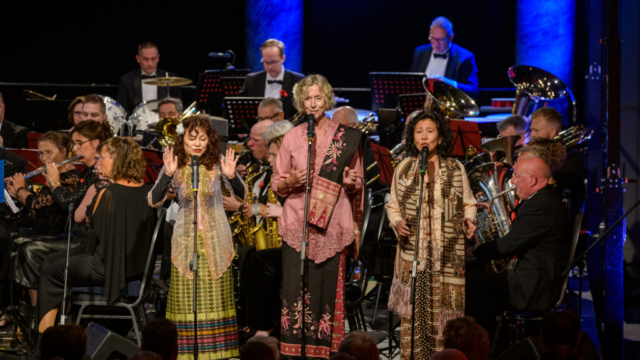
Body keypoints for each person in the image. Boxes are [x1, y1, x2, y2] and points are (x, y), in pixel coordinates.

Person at [272, 74, 364, 358]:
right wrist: (290, 182)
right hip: (297, 223)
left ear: (326, 99)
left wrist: (350, 182)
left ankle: (325, 352)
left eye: (318, 98)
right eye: (307, 98)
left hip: (332, 224)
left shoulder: (345, 137)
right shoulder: (291, 137)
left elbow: (358, 181)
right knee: (295, 290)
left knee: (325, 291)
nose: (312, 104)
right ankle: (293, 350)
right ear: (301, 101)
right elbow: (278, 184)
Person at [36, 137, 156, 337]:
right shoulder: (148, 191)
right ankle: (66, 332)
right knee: (52, 259)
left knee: (51, 271)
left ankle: (46, 340)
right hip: (135, 268)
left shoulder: (108, 192)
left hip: (106, 268)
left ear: (118, 160)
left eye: (103, 158)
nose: (99, 162)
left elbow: (91, 223)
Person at [148, 114, 245, 359]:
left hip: (216, 241)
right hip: (185, 241)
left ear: (210, 140)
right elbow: (152, 200)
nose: (198, 143)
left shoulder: (218, 163)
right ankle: (184, 352)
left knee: (215, 297)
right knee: (185, 299)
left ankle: (217, 353)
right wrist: (168, 175)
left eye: (203, 138)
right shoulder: (175, 165)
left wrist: (232, 176)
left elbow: (242, 196)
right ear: (183, 141)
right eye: (192, 139)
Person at [385, 110, 477, 358]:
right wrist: (397, 223)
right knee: (414, 314)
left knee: (443, 318)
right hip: (412, 254)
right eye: (418, 131)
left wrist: (470, 219)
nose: (424, 136)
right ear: (412, 137)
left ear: (440, 136)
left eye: (430, 131)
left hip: (447, 254)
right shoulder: (404, 167)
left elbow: (469, 202)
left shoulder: (455, 168)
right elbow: (392, 205)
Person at [468, 155, 572, 337]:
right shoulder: (543, 199)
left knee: (473, 283)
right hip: (533, 278)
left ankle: (489, 344)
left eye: (516, 176)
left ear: (532, 180)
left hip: (532, 288)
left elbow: (507, 246)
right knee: (475, 273)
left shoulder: (540, 206)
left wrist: (476, 250)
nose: (512, 181)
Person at [243, 121, 294, 337]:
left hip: (300, 245)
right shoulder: (278, 175)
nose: (269, 160)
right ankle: (253, 321)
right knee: (249, 255)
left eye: (273, 156)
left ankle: (263, 326)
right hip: (285, 240)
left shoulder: (298, 176)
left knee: (261, 260)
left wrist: (281, 212)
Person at [529, 107, 586, 222]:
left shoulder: (572, 157)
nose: (531, 136)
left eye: (536, 131)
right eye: (531, 130)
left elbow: (559, 192)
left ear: (553, 132)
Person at [410, 17, 478, 99]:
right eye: (433, 38)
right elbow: (412, 84)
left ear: (451, 37)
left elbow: (473, 91)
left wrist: (450, 84)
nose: (436, 43)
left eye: (441, 40)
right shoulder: (419, 52)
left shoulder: (465, 57)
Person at [239, 39, 305, 118]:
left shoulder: (298, 80)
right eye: (266, 62)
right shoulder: (252, 80)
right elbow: (238, 106)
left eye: (273, 62)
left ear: (283, 58)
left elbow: (303, 112)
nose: (270, 66)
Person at [117, 42, 181, 114]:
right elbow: (123, 111)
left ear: (158, 58)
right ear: (138, 59)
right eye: (146, 59)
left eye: (153, 59)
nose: (150, 63)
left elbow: (178, 109)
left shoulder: (170, 78)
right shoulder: (127, 80)